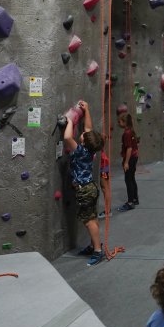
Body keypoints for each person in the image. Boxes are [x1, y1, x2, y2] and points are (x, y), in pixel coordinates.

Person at [63, 100, 107, 266]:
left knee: (89, 221)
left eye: (82, 135)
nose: (82, 132)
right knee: (92, 217)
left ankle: (97, 250)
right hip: (90, 187)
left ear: (82, 142)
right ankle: (92, 245)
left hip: (85, 190)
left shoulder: (80, 151)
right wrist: (86, 109)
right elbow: (88, 129)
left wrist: (69, 121)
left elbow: (67, 137)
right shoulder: (90, 149)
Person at [117, 112, 140, 212]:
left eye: (120, 121)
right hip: (134, 157)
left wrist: (126, 162)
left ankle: (130, 202)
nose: (118, 123)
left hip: (130, 158)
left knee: (128, 180)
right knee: (132, 178)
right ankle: (135, 199)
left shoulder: (126, 133)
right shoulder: (131, 131)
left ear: (125, 122)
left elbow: (129, 148)